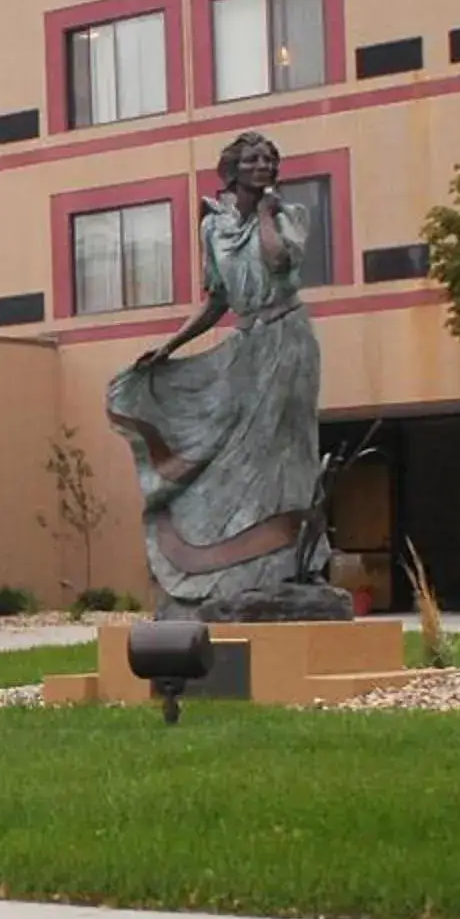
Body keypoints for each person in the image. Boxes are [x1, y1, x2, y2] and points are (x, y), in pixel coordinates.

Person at [106, 131, 328, 618]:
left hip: (288, 341)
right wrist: (170, 345)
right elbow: (216, 301)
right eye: (252, 158)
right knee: (232, 454)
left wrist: (267, 213)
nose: (263, 164)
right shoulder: (215, 229)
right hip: (246, 348)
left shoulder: (291, 217)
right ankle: (227, 568)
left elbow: (278, 260)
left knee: (283, 455)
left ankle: (289, 562)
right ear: (232, 170)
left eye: (269, 157)